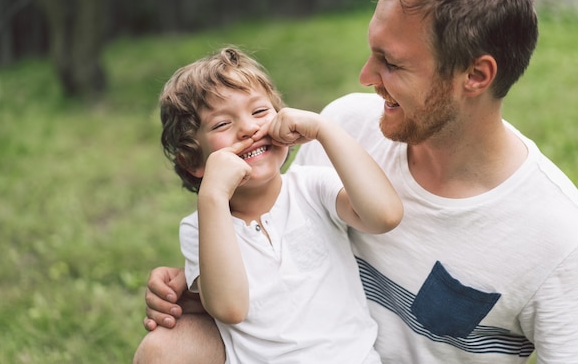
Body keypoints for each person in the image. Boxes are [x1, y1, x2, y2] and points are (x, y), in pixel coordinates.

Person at [135, 0, 578, 363]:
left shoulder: (564, 247)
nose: (366, 76)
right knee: (167, 349)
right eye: (373, 52)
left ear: (476, 76)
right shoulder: (349, 125)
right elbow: (278, 251)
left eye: (392, 62)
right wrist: (192, 289)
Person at [144, 46, 403, 364]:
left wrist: (324, 130)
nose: (249, 129)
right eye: (222, 125)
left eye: (259, 112)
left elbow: (385, 215)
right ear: (192, 161)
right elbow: (229, 308)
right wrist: (212, 195)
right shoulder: (201, 226)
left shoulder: (312, 187)